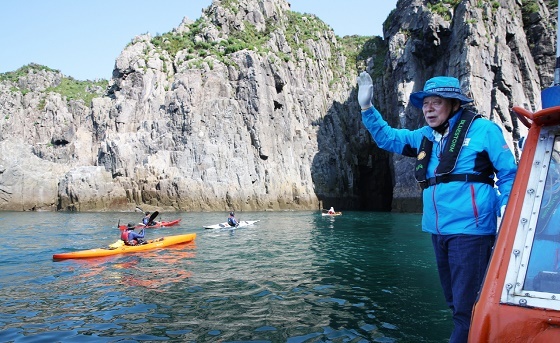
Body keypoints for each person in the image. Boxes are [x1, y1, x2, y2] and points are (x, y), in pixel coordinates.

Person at [357, 72, 517, 343]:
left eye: (437, 103)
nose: (429, 109)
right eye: (425, 103)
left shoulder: (484, 130)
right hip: (438, 230)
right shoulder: (426, 136)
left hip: (472, 231)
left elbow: (509, 175)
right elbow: (388, 138)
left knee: (466, 310)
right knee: (455, 304)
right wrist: (367, 108)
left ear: (454, 104)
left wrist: (508, 215)